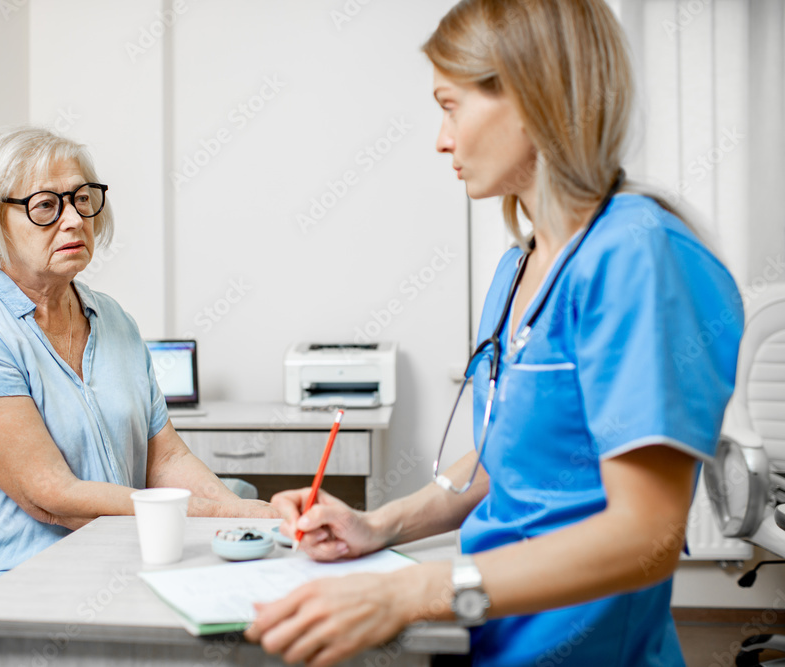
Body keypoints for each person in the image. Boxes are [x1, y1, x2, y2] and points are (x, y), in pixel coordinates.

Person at [245, 1, 742, 665]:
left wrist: (412, 589)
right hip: (488, 638)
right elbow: (502, 453)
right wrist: (379, 524)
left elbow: (645, 533)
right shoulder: (519, 266)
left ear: (532, 97)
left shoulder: (639, 256)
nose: (441, 139)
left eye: (450, 106)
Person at [0, 126, 276, 666]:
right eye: (45, 206)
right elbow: (51, 494)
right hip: (7, 588)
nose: (73, 220)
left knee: (264, 634)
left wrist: (247, 513)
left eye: (82, 200)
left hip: (114, 565)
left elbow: (167, 456)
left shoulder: (113, 320)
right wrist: (203, 512)